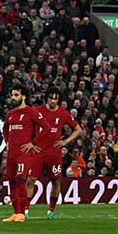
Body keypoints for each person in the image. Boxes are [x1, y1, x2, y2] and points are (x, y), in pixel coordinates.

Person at [28, 88, 84, 219]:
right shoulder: (37, 111)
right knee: (31, 180)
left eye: (56, 99)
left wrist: (65, 141)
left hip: (54, 153)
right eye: (51, 98)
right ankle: (24, 211)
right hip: (38, 151)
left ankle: (51, 211)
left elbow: (78, 129)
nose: (53, 101)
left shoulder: (63, 113)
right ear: (46, 98)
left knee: (56, 181)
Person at [2, 83, 41, 223]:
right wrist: (7, 141)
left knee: (20, 179)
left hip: (24, 154)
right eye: (12, 95)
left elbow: (46, 128)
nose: (13, 97)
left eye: (16, 95)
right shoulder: (10, 114)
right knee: (11, 181)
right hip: (11, 154)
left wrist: (33, 143)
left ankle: (23, 213)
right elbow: (5, 129)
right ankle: (15, 213)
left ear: (23, 96)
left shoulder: (31, 112)